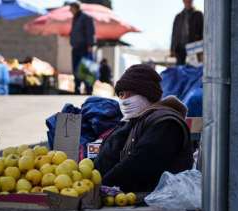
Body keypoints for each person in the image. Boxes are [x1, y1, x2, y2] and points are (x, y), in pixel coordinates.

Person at [94, 64, 194, 192]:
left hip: (161, 204)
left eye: (131, 94)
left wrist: (100, 186)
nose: (124, 100)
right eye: (121, 94)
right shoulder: (134, 122)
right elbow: (104, 162)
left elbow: (139, 164)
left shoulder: (166, 122)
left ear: (148, 94)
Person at [69, 1, 96, 94]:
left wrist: (90, 45)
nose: (69, 10)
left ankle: (89, 89)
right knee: (76, 69)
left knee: (86, 68)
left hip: (84, 47)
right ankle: (77, 88)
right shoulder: (75, 18)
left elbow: (90, 32)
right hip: (76, 47)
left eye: (71, 8)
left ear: (76, 8)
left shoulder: (86, 17)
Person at [170, 0, 203, 65]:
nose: (187, 1)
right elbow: (174, 34)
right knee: (179, 68)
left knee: (196, 67)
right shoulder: (178, 17)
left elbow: (202, 31)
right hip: (180, 47)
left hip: (194, 46)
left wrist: (202, 48)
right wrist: (172, 48)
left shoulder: (198, 14)